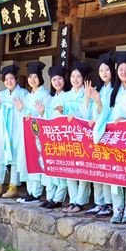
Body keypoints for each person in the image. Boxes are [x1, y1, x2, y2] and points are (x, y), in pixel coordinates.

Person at [93, 51, 126, 224]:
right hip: (116, 139)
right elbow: (107, 114)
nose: (123, 72)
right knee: (116, 176)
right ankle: (118, 208)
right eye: (120, 69)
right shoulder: (113, 91)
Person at [0, 64, 28, 198]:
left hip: (17, 129)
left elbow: (28, 113)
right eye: (6, 80)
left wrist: (22, 108)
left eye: (11, 78)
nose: (9, 81)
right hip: (3, 129)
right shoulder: (2, 94)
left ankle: (13, 186)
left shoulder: (23, 93)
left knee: (16, 157)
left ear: (15, 79)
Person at [83, 51, 114, 217]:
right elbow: (88, 113)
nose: (104, 73)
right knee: (97, 170)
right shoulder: (98, 89)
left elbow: (106, 112)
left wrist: (97, 102)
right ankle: (99, 202)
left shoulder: (114, 90)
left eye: (107, 70)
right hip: (95, 133)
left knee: (107, 170)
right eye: (101, 71)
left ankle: (108, 204)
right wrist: (89, 98)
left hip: (107, 133)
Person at [17, 61, 50, 204]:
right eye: (30, 77)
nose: (32, 80)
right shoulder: (27, 96)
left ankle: (36, 193)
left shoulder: (45, 94)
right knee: (28, 160)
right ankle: (29, 191)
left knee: (37, 161)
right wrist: (21, 110)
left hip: (38, 134)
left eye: (35, 77)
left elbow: (47, 115)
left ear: (40, 78)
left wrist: (41, 113)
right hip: (27, 133)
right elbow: (24, 115)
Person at [62, 61, 92, 213]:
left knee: (82, 168)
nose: (75, 79)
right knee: (69, 168)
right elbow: (58, 114)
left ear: (83, 79)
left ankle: (81, 201)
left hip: (82, 136)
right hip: (68, 136)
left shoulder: (88, 93)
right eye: (73, 76)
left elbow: (89, 114)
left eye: (78, 76)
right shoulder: (66, 95)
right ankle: (73, 199)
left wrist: (86, 99)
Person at [39, 65, 69, 209]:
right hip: (49, 138)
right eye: (54, 80)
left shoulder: (67, 96)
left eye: (59, 79)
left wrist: (63, 111)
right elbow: (45, 119)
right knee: (49, 168)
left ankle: (58, 198)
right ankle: (50, 196)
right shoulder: (49, 99)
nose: (57, 82)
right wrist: (42, 112)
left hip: (62, 138)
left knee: (61, 168)